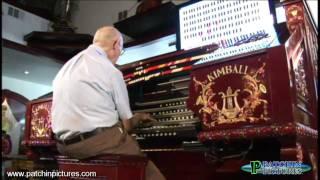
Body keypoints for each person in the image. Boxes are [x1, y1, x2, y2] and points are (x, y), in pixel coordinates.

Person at [51, 26, 166, 180]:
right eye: (121, 50)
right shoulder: (110, 71)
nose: (119, 55)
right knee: (148, 171)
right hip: (94, 144)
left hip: (63, 146)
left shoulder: (66, 67)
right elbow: (127, 125)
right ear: (116, 44)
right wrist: (139, 117)